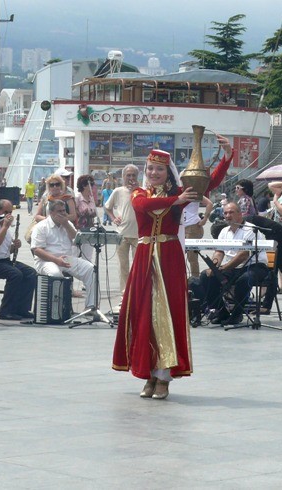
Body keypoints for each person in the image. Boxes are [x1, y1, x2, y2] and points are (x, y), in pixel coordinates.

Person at [112, 149, 199, 400]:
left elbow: (207, 181)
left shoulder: (177, 193)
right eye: (150, 168)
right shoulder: (140, 193)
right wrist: (176, 201)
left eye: (159, 169)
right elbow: (142, 206)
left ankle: (164, 378)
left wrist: (227, 156)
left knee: (168, 312)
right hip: (144, 255)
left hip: (169, 255)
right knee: (143, 312)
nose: (154, 173)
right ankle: (148, 373)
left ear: (167, 172)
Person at [194, 202, 268, 325]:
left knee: (244, 280)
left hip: (254, 266)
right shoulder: (224, 231)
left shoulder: (250, 229)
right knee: (206, 276)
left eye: (231, 212)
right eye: (225, 213)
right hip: (233, 267)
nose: (228, 215)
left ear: (240, 214)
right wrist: (214, 267)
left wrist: (223, 268)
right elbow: (219, 252)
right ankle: (221, 311)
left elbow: (243, 255)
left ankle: (237, 314)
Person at [30, 199, 97, 311]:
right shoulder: (41, 227)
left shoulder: (67, 223)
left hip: (66, 259)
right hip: (46, 260)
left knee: (91, 270)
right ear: (51, 213)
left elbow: (76, 241)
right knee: (56, 274)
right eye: (59, 211)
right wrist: (56, 260)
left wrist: (66, 224)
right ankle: (59, 309)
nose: (63, 213)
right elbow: (37, 250)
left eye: (64, 211)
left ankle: (90, 307)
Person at [0, 199, 37, 320]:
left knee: (31, 273)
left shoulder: (5, 226)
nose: (8, 215)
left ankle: (22, 308)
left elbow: (6, 250)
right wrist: (5, 227)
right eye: (6, 212)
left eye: (10, 212)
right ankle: (6, 310)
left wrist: (14, 246)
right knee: (15, 274)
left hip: (4, 260)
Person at [104, 164, 140, 293]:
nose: (131, 178)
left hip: (139, 235)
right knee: (123, 266)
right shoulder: (118, 191)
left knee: (138, 267)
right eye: (128, 175)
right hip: (122, 234)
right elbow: (107, 207)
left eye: (133, 175)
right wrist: (113, 218)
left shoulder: (143, 191)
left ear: (138, 176)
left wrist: (137, 189)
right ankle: (124, 294)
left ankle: (136, 293)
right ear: (123, 177)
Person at [183, 195, 213, 280]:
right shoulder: (176, 191)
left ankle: (195, 279)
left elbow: (209, 203)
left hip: (193, 225)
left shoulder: (195, 193)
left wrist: (205, 219)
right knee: (179, 255)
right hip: (181, 227)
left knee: (192, 256)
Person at [75, 174, 98, 260]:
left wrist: (93, 213)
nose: (92, 187)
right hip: (80, 229)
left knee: (88, 256)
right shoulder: (77, 197)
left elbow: (94, 212)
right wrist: (82, 213)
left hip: (90, 229)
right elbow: (74, 211)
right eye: (90, 184)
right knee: (76, 253)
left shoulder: (91, 198)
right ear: (84, 185)